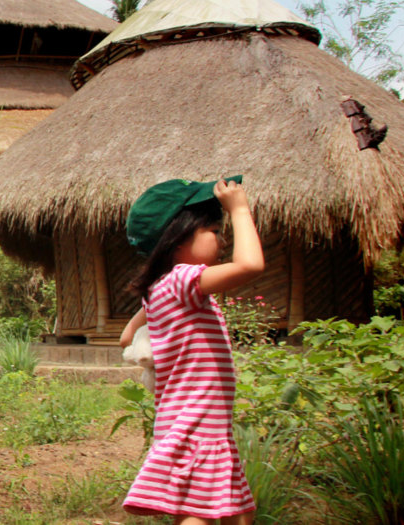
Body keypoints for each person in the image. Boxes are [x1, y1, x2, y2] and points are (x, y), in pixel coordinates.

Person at [119, 176, 263, 525]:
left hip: (196, 419)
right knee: (198, 514)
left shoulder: (158, 290)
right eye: (213, 229)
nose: (222, 238)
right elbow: (250, 265)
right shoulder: (183, 279)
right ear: (176, 239)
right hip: (198, 421)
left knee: (238, 514)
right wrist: (240, 210)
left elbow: (127, 336)